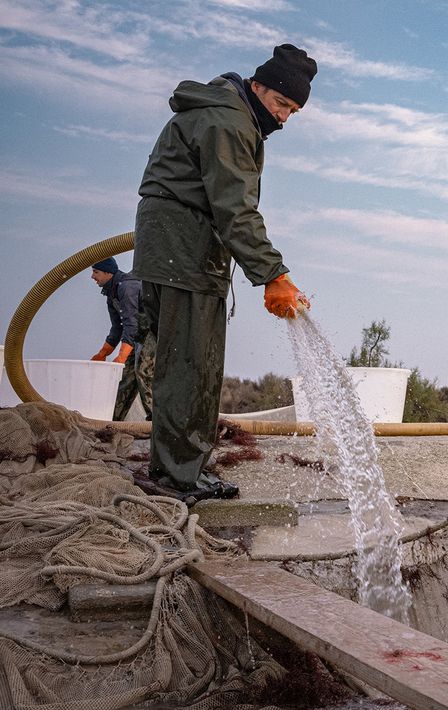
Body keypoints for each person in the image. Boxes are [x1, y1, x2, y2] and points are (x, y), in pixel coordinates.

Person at [131, 44, 316, 503]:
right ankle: (176, 478)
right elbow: (235, 208)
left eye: (293, 111)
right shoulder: (228, 121)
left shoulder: (230, 114)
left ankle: (181, 470)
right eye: (281, 104)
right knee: (190, 364)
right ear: (258, 87)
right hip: (183, 246)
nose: (285, 117)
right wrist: (273, 274)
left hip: (184, 245)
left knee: (194, 361)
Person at [87, 256, 152, 420]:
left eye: (96, 272)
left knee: (143, 370)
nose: (92, 276)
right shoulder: (111, 293)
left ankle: (159, 422)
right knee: (125, 377)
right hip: (136, 336)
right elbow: (117, 328)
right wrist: (103, 353)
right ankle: (112, 421)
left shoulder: (127, 287)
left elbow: (131, 323)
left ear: (108, 272)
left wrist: (122, 355)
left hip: (153, 332)